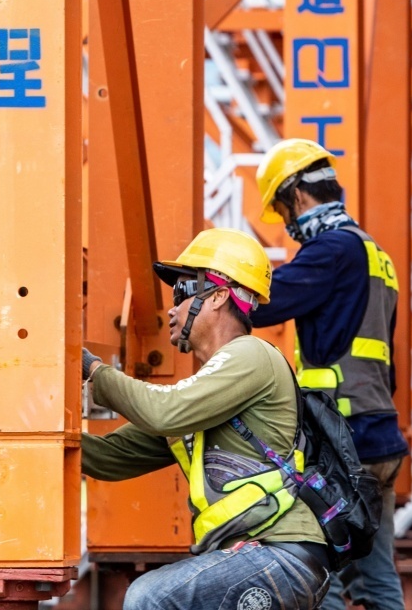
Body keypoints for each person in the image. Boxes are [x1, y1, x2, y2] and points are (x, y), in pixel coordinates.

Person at [80, 228, 330, 610]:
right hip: (261, 556)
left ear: (217, 296)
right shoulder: (207, 394)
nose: (173, 309)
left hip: (278, 554)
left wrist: (95, 371)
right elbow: (108, 457)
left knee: (149, 599)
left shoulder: (251, 356)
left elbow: (163, 411)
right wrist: (37, 437)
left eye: (182, 292)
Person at [252, 138, 408, 610]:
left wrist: (209, 290)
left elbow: (264, 303)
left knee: (322, 577)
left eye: (281, 212)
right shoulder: (374, 253)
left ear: (297, 196)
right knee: (378, 578)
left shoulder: (331, 251)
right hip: (380, 437)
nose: (286, 224)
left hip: (343, 441)